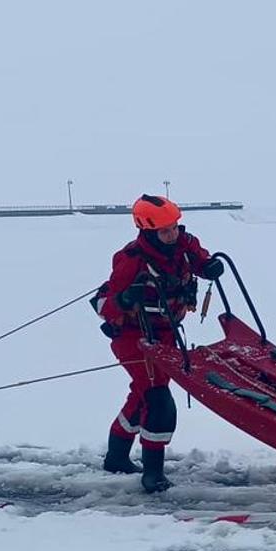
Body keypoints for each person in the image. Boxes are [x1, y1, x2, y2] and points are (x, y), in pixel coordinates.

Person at [95, 195, 224, 492]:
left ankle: (116, 456)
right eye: (165, 231)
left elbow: (201, 262)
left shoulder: (185, 244)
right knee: (158, 402)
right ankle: (153, 474)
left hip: (167, 334)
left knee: (141, 395)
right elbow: (107, 305)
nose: (172, 234)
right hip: (134, 337)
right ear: (147, 231)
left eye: (174, 228)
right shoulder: (130, 260)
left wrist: (210, 268)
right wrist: (126, 299)